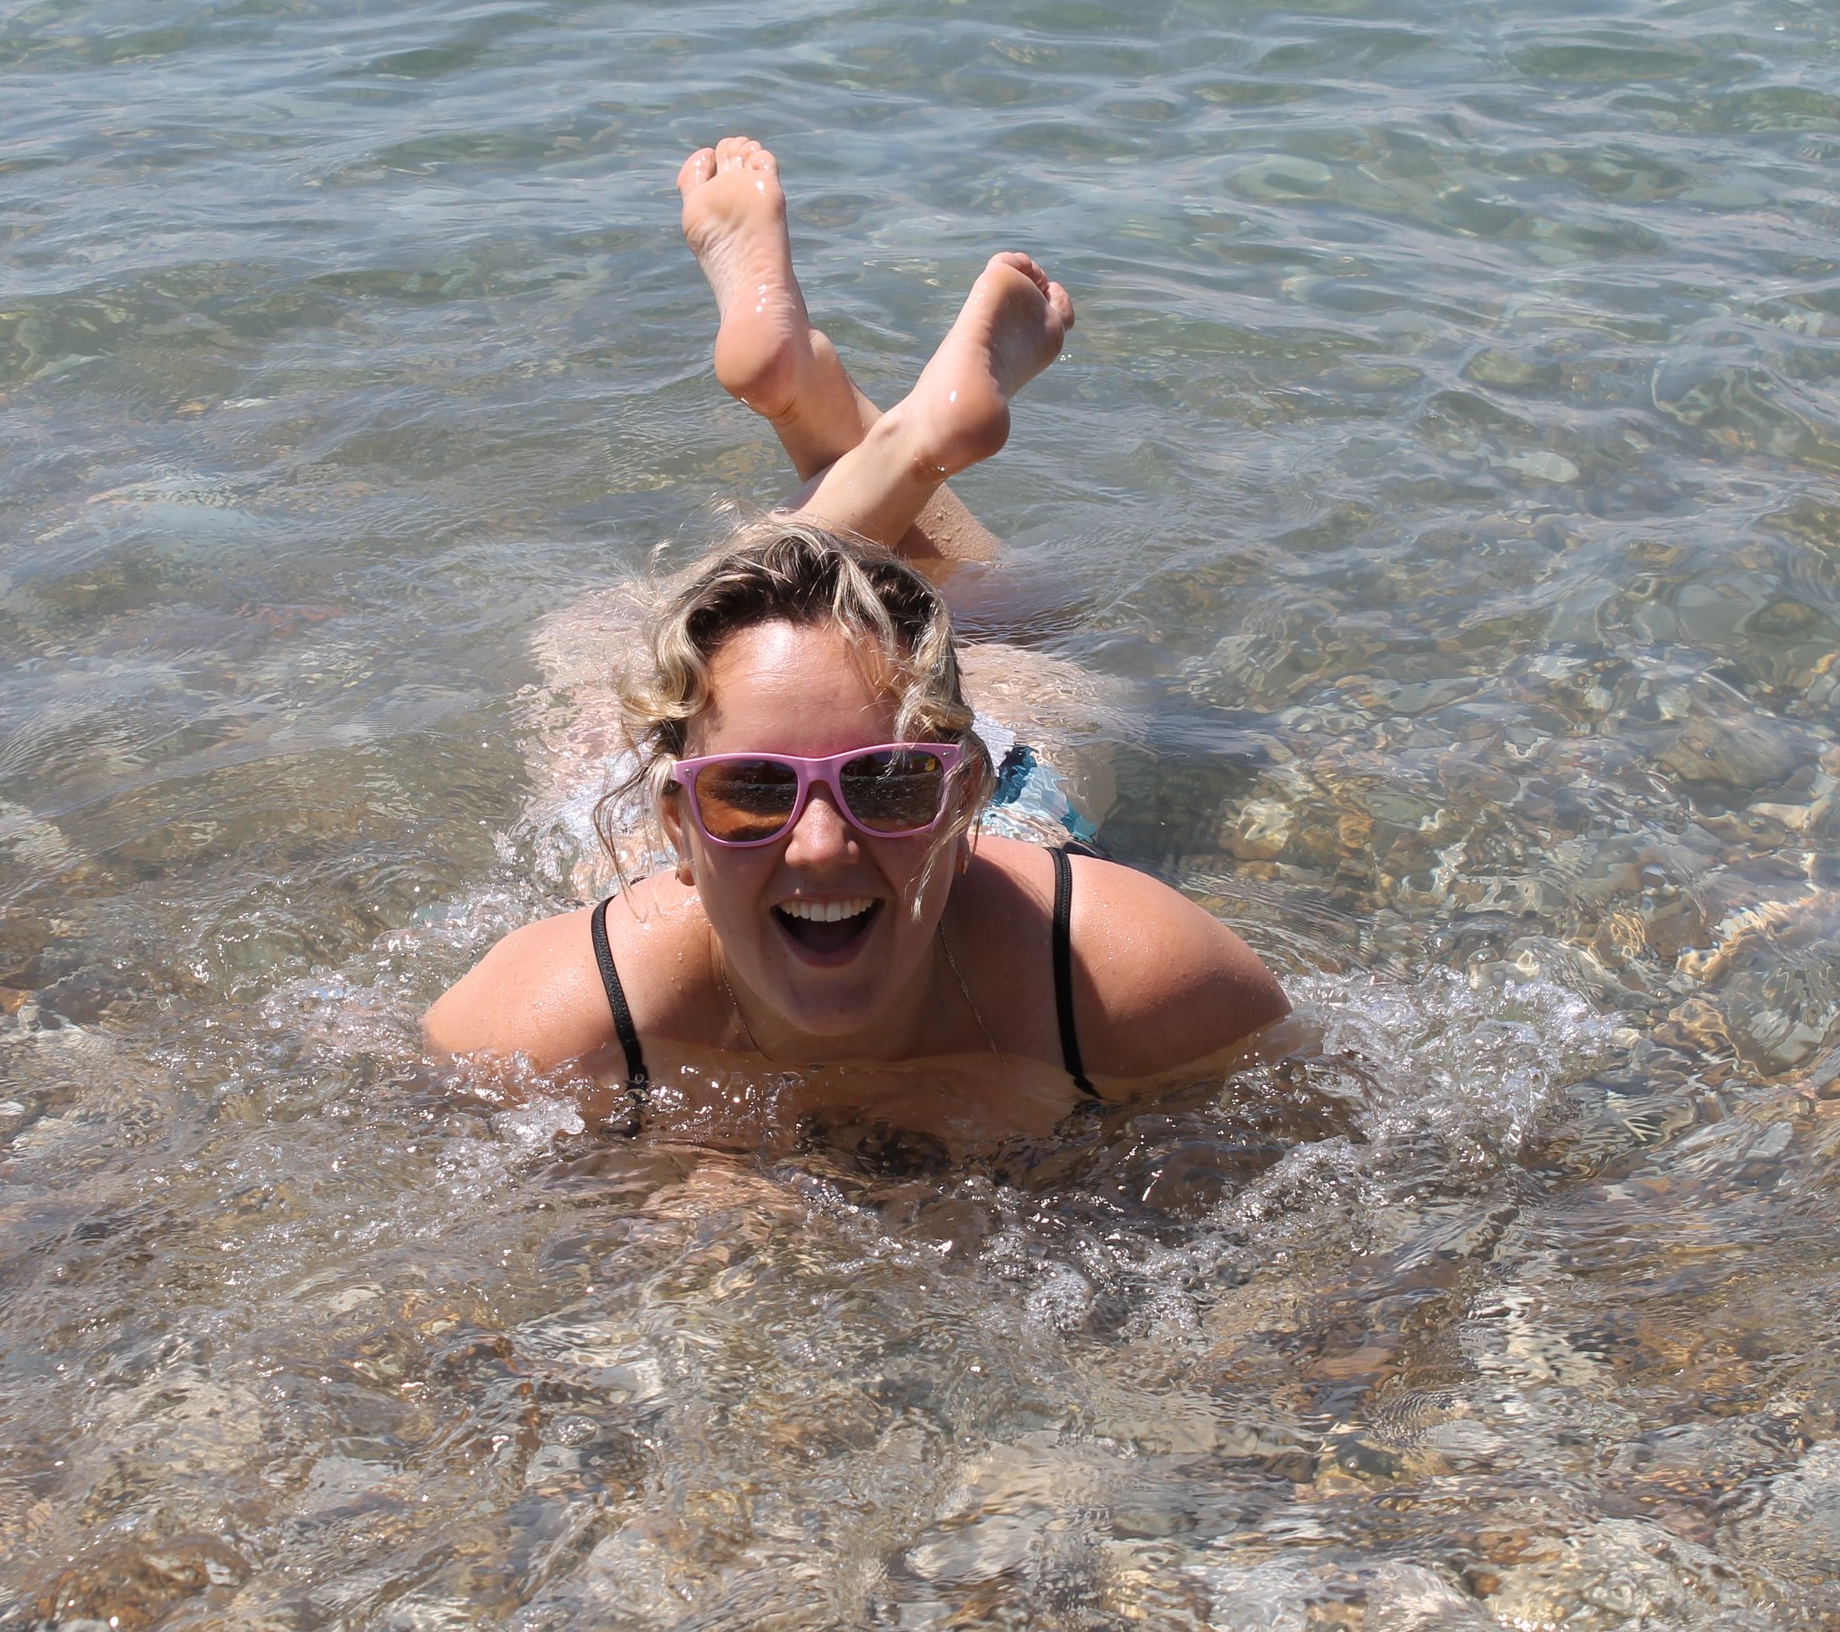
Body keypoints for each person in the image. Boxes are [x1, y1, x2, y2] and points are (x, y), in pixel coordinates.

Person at [422, 139, 1288, 1141]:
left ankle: (879, 430)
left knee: (616, 637)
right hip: (860, 810)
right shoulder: (570, 1013)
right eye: (753, 791)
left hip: (977, 810)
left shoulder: (1113, 969)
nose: (823, 845)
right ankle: (874, 431)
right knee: (1020, 611)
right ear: (675, 830)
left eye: (887, 783)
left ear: (965, 794)